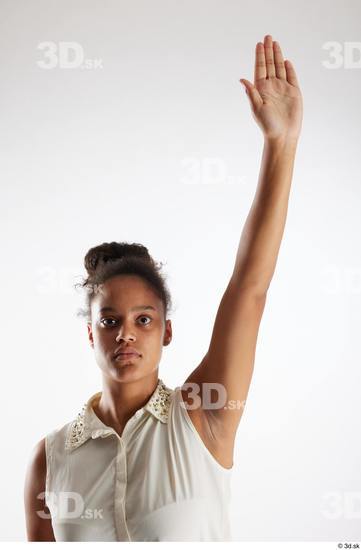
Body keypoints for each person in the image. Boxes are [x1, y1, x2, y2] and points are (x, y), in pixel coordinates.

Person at [24, 34, 303, 541]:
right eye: (110, 321)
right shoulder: (51, 458)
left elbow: (250, 287)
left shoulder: (204, 415)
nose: (126, 334)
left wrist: (280, 143)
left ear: (167, 331)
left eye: (143, 319)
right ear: (91, 334)